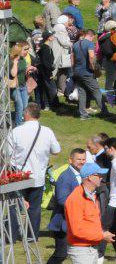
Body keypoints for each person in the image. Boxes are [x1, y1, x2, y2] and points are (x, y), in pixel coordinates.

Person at [6, 102, 60, 240]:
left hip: (19, 175)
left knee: (14, 206)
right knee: (34, 208)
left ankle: (12, 234)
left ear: (26, 114)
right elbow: (56, 150)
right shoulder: (47, 131)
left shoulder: (16, 131)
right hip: (38, 175)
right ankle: (31, 235)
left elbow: (7, 153)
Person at [64, 161, 112, 264]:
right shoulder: (76, 199)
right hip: (81, 250)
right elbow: (77, 230)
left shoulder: (92, 196)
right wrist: (102, 235)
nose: (101, 178)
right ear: (90, 177)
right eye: (98, 175)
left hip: (91, 248)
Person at [46, 147, 87, 264]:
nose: (82, 162)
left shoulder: (83, 174)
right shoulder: (65, 177)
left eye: (84, 159)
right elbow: (62, 200)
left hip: (74, 222)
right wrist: (82, 206)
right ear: (70, 160)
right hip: (62, 223)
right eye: (78, 159)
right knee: (61, 254)